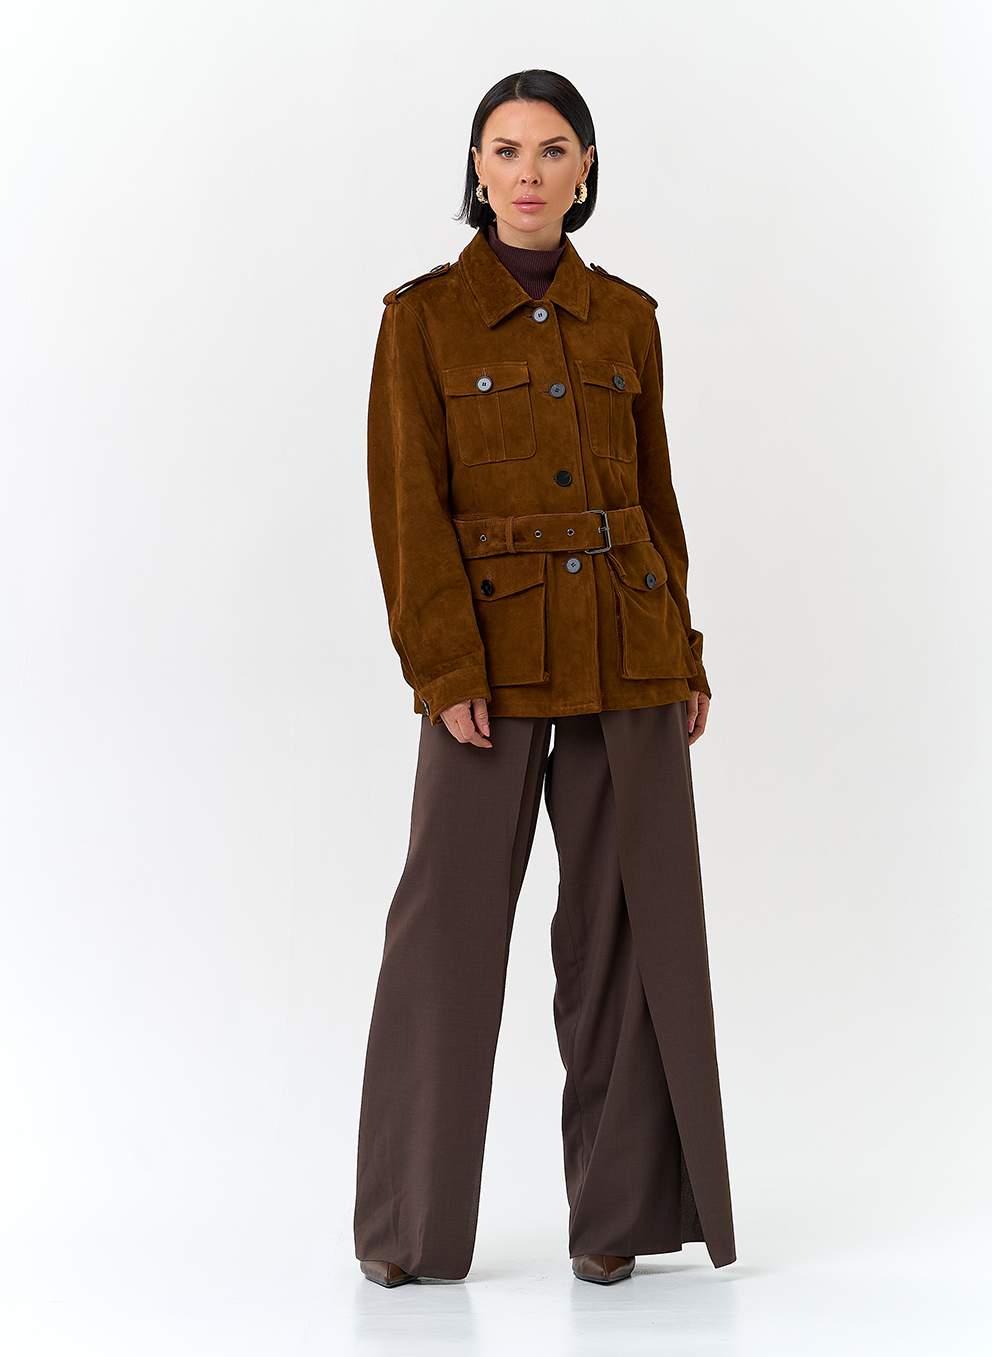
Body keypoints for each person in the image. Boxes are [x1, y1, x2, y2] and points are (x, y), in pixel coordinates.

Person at [354, 69, 734, 1288]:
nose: (527, 170)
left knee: (625, 931)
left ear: (584, 171)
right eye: (505, 149)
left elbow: (654, 499)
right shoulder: (421, 319)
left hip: (628, 649)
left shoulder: (624, 317)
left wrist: (682, 651)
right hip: (488, 665)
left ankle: (616, 1215)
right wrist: (441, 665)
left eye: (552, 148)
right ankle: (409, 1229)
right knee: (445, 933)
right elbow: (408, 512)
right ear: (475, 170)